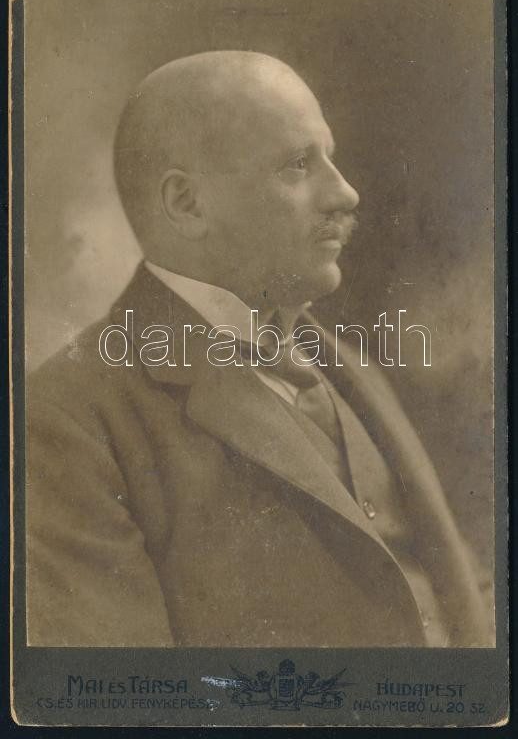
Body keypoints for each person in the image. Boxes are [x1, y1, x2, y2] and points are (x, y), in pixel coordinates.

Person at [26, 51, 491, 647]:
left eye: (330, 157)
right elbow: (127, 689)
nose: (345, 193)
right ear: (187, 204)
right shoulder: (67, 420)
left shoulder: (343, 365)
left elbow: (462, 597)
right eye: (298, 164)